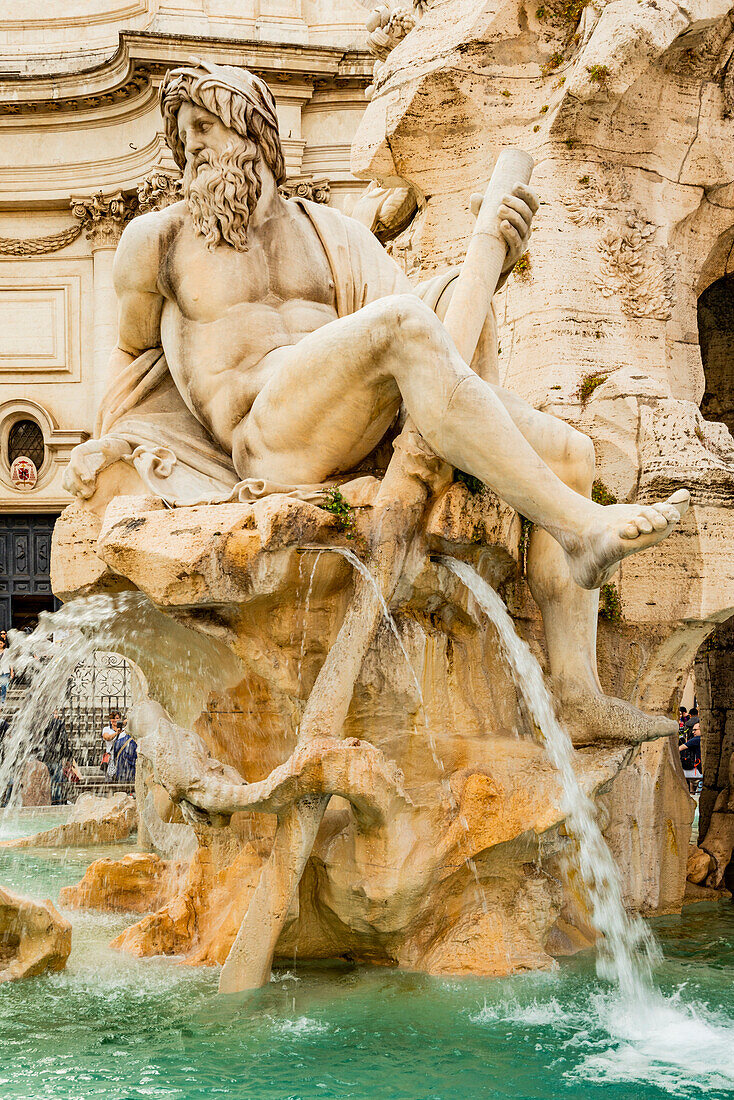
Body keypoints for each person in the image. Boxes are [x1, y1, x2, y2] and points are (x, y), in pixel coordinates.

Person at [61, 61, 689, 747]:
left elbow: (435, 330)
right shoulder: (156, 240)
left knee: (572, 452)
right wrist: (115, 453)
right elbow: (130, 360)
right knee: (402, 325)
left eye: (206, 129)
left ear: (255, 133)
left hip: (358, 420)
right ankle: (578, 527)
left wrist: (494, 257)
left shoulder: (331, 233)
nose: (193, 151)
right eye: (184, 138)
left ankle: (576, 691)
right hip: (265, 432)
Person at [40, 710, 72, 805]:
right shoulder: (58, 723)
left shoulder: (40, 722)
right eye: (56, 713)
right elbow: (63, 740)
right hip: (55, 756)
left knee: (44, 780)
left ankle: (44, 801)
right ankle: (56, 801)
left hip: (43, 757)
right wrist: (67, 756)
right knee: (57, 781)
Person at [107, 718, 137, 783]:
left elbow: (115, 759)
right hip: (133, 776)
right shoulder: (137, 743)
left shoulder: (118, 742)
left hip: (120, 775)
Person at [680, 721, 702, 794]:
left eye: (695, 730)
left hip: (697, 770)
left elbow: (679, 749)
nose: (693, 732)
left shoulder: (696, 739)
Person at [0, 637, 12, 705]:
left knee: (3, 686)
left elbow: (11, 661)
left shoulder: (7, 651)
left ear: (4, 644)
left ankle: (2, 700)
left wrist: (11, 671)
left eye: (1, 643)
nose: (0, 645)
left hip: (5, 670)